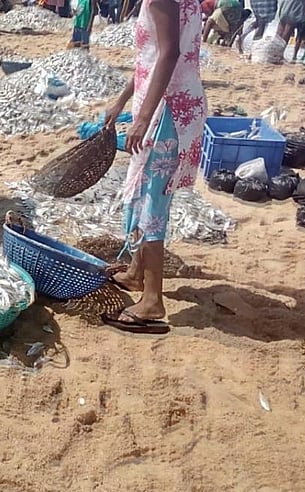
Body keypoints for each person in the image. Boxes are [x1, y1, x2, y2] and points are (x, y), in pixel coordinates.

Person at [100, 0, 207, 334]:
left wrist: (144, 118)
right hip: (169, 104)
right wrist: (121, 101)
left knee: (152, 203)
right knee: (143, 192)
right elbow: (150, 56)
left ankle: (152, 300)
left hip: (167, 112)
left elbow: (169, 54)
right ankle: (136, 272)